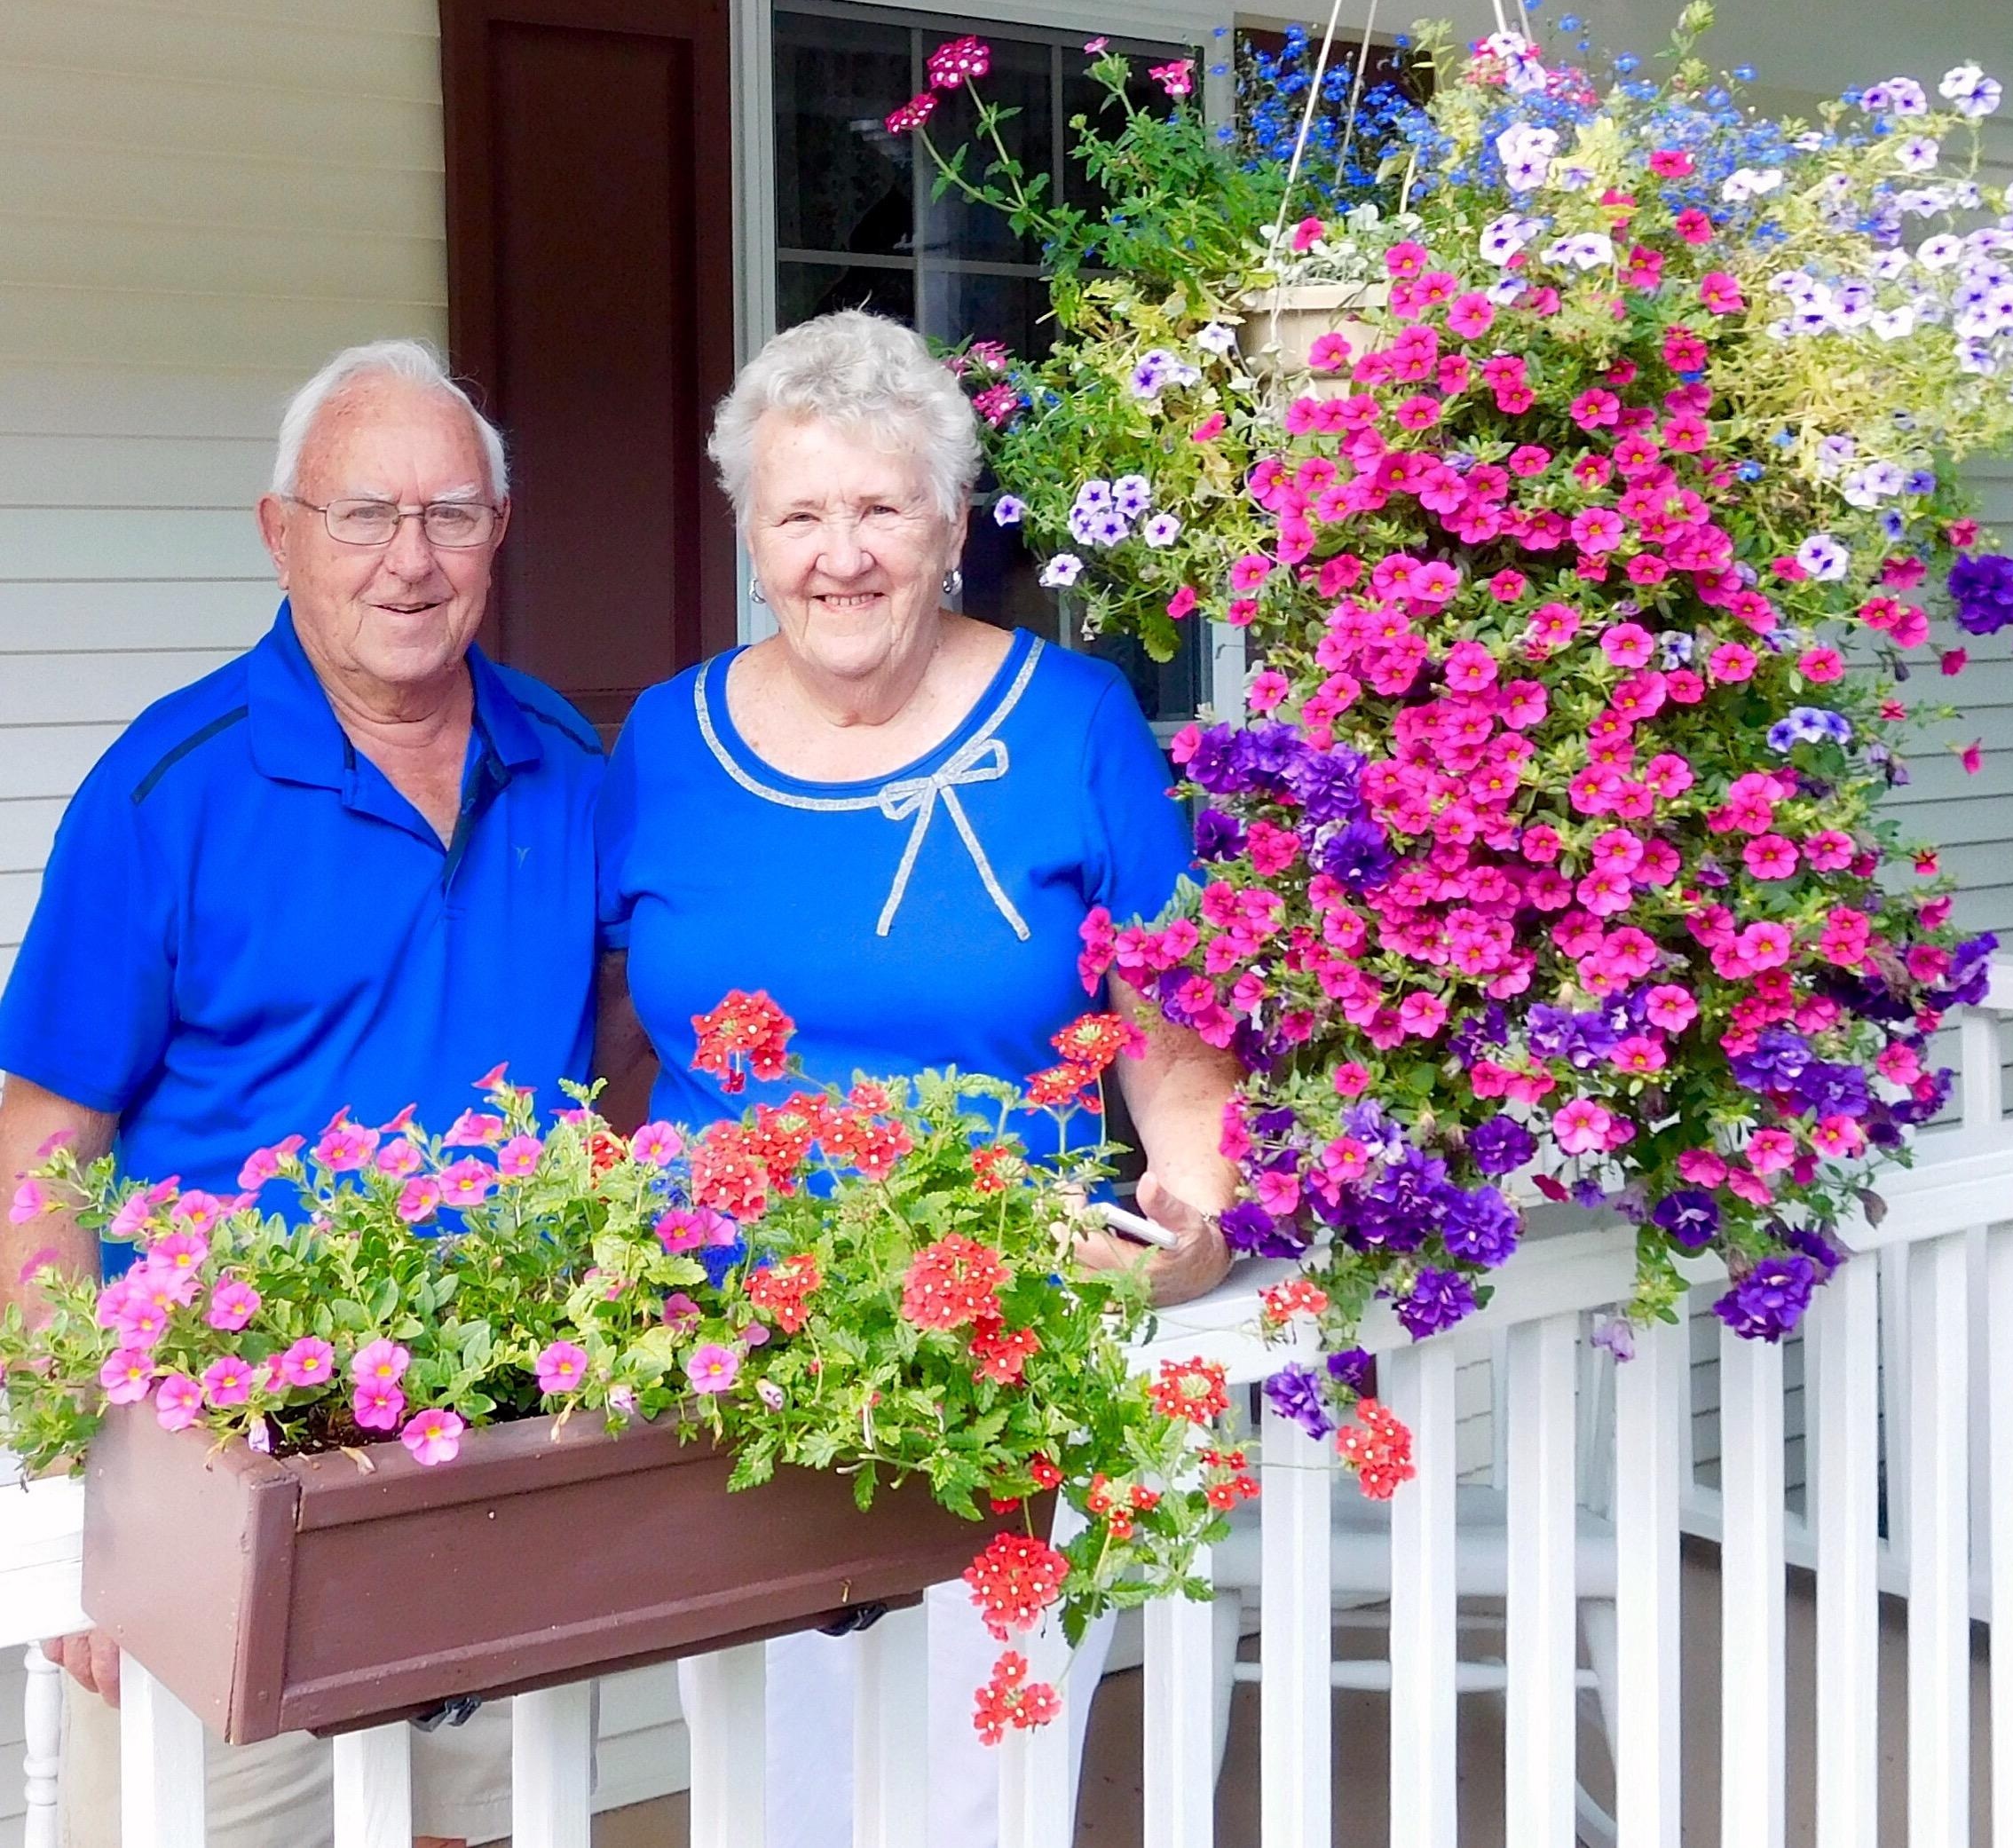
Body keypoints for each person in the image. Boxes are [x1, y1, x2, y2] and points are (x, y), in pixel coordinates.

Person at [594, 309, 1243, 1846]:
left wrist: (1195, 1214)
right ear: (751, 536)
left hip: (1009, 1337)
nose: (842, 552)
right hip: (731, 1349)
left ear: (951, 524)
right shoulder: (665, 741)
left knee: (981, 1787)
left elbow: (1172, 1028)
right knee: (770, 1786)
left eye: (881, 506)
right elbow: (619, 1029)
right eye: (799, 513)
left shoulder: (1073, 723)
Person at [0, 340, 605, 1848]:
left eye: (451, 516)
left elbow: (623, 1044)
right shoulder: (169, 792)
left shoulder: (572, 763)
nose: (409, 561)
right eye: (361, 516)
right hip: (215, 1490)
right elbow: (39, 1148)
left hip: (494, 1460)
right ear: (283, 534)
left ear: (499, 533)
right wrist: (84, 1498)